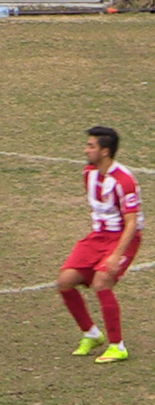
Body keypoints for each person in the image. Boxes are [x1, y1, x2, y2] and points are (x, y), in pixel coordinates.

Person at [57, 126, 144, 363]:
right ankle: (92, 334)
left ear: (105, 151)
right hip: (98, 236)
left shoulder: (124, 181)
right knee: (65, 281)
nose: (86, 150)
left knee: (102, 281)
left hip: (123, 237)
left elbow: (132, 223)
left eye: (91, 146)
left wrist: (116, 255)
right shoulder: (89, 173)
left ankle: (117, 345)